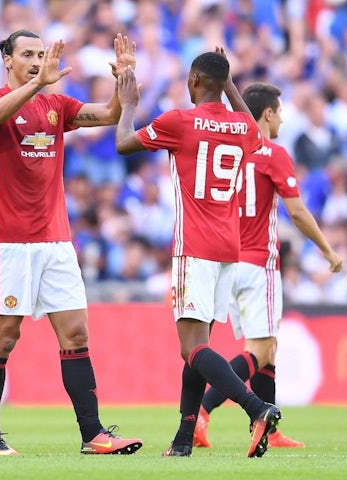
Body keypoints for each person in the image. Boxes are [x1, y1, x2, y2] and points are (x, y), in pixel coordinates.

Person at [0, 29, 142, 456]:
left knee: (76, 332)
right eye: (27, 54)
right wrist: (38, 82)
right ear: (8, 61)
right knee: (5, 336)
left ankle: (93, 434)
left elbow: (108, 113)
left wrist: (125, 79)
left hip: (56, 240)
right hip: (8, 241)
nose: (35, 60)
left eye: (40, 53)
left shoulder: (56, 106)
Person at [115, 53, 281, 458]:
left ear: (192, 80)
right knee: (197, 347)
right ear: (222, 82)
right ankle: (183, 440)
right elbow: (258, 136)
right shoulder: (242, 125)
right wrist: (230, 85)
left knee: (193, 348)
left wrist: (129, 104)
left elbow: (123, 143)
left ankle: (257, 409)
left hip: (194, 247)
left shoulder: (179, 121)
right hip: (229, 248)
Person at [193, 82, 343, 449]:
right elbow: (297, 211)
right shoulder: (272, 153)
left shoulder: (228, 151)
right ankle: (203, 410)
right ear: (269, 114)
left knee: (268, 349)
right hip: (259, 262)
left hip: (225, 261)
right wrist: (327, 250)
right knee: (260, 348)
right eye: (280, 111)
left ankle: (270, 430)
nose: (283, 119)